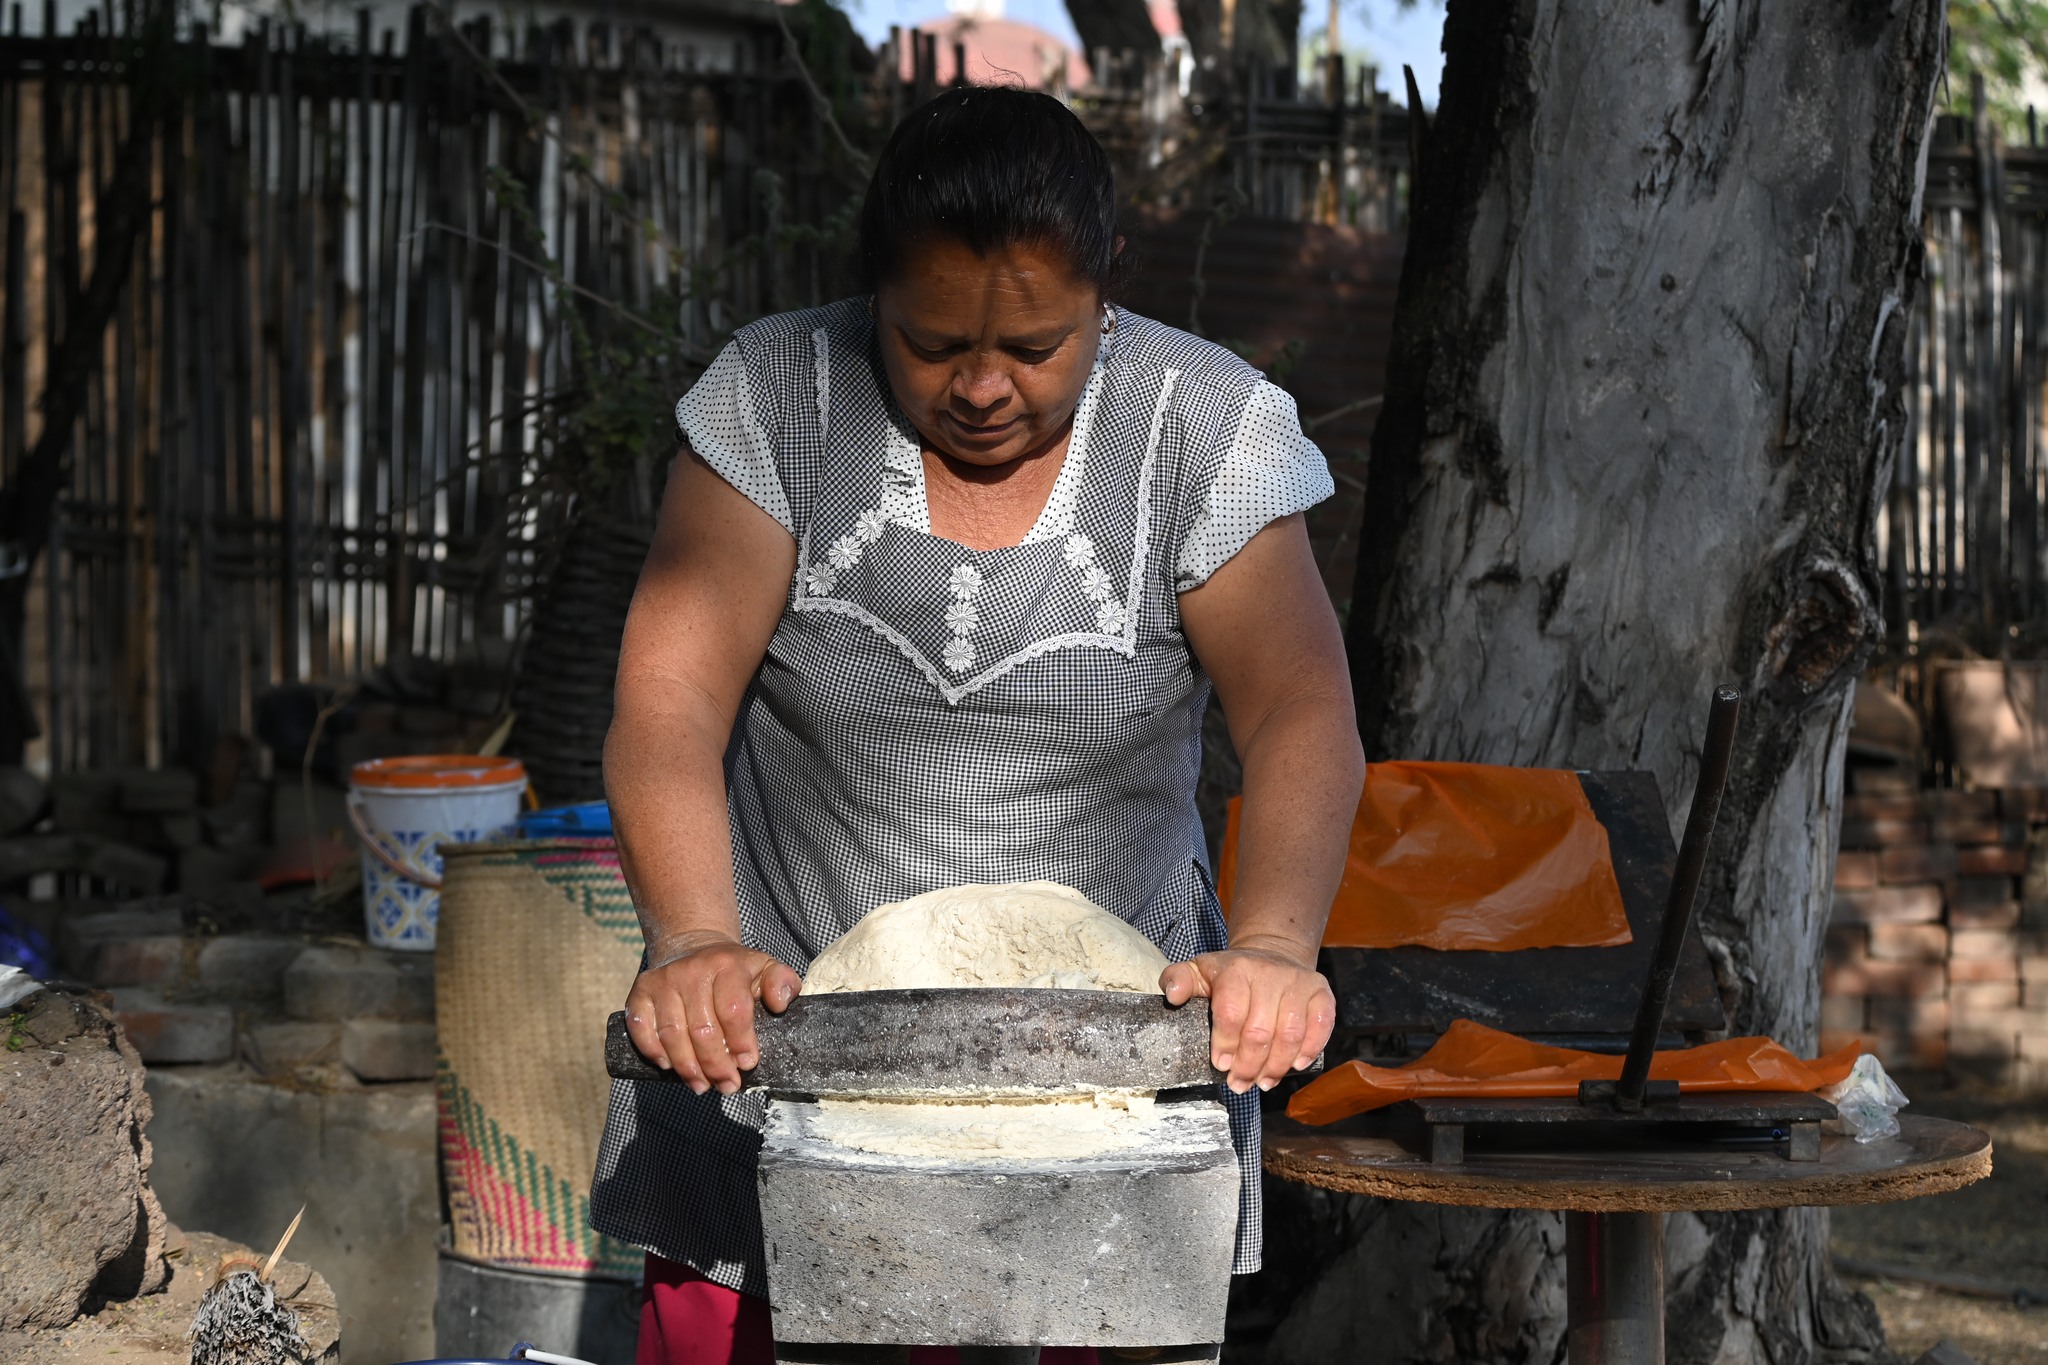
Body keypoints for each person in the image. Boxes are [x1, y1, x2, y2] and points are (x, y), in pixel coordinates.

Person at [591, 87, 1366, 1365]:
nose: (984, 388)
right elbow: (668, 702)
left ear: (1107, 291)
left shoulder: (1203, 425)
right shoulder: (779, 397)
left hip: (1104, 1095)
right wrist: (693, 941)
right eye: (932, 340)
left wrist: (1276, 943)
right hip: (782, 1058)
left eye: (1038, 346)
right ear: (871, 298)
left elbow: (1297, 708)